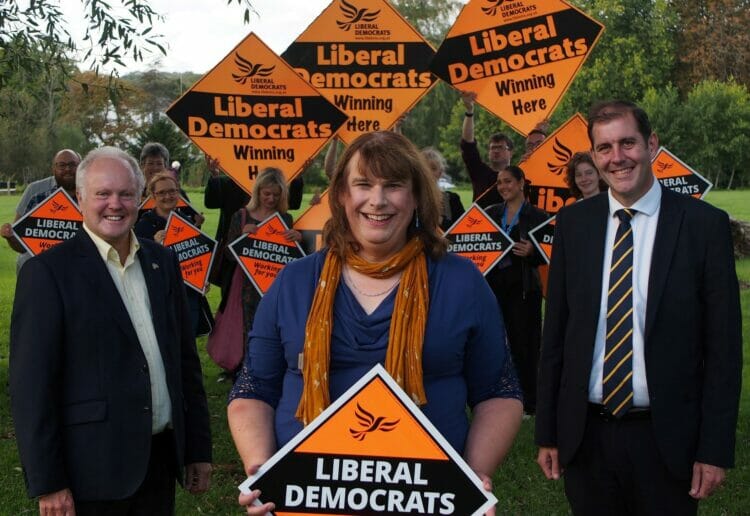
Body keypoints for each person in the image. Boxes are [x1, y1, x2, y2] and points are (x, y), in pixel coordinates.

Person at [227, 131, 523, 514]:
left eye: (394, 185)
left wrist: (470, 476)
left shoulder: (462, 282)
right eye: (363, 184)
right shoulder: (294, 281)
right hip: (305, 499)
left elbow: (498, 391)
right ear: (342, 196)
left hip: (426, 499)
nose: (378, 200)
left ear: (417, 196)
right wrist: (261, 468)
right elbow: (254, 387)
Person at [535, 101, 742, 514]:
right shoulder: (573, 226)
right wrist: (549, 432)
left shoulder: (703, 226)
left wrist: (714, 448)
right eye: (605, 148)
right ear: (594, 156)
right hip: (587, 437)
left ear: (651, 145)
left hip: (667, 440)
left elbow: (724, 350)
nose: (617, 158)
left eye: (627, 143)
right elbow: (556, 334)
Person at [9, 146, 212, 514]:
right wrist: (48, 481)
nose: (114, 204)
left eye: (125, 194)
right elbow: (31, 388)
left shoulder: (162, 261)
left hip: (159, 462)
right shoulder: (48, 274)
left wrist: (197, 449)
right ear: (81, 199)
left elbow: (185, 362)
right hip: (91, 470)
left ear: (140, 199)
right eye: (102, 194)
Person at [484, 165, 548, 416]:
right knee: (495, 343)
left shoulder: (537, 215)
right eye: (499, 183)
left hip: (524, 289)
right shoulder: (490, 212)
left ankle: (530, 403)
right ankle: (496, 396)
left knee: (526, 345)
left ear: (521, 183)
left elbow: (549, 252)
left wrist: (533, 253)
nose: (503, 187)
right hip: (493, 287)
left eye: (508, 181)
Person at [222, 167, 302, 343]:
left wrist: (298, 239)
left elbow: (291, 260)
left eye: (276, 195)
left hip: (273, 288)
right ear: (257, 191)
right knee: (244, 330)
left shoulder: (285, 218)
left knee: (270, 330)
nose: (271, 199)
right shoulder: (241, 216)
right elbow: (228, 254)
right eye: (267, 194)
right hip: (245, 287)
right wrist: (242, 237)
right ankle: (242, 368)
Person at [135, 172, 210, 336]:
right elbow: (136, 264)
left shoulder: (186, 221)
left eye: (172, 191)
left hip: (187, 296)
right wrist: (153, 244)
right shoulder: (143, 225)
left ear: (178, 192)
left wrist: (202, 279)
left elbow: (195, 255)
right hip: (160, 297)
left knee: (188, 347)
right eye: (161, 192)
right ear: (153, 196)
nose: (168, 196)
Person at [1, 149, 81, 272]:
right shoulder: (35, 190)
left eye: (72, 164)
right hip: (40, 262)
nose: (67, 169)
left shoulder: (94, 191)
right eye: (61, 165)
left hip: (79, 261)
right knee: (26, 260)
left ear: (81, 167)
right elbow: (21, 244)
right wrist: (10, 236)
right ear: (53, 169)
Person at [460, 90, 515, 208]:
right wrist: (469, 111)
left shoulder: (519, 176)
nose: (495, 150)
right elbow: (467, 144)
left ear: (511, 152)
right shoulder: (479, 172)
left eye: (500, 147)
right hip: (481, 225)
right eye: (492, 148)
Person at [422, 146, 464, 231]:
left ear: (440, 172)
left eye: (433, 168)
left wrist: (439, 219)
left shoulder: (451, 199)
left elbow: (462, 232)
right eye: (425, 168)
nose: (429, 173)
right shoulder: (411, 200)